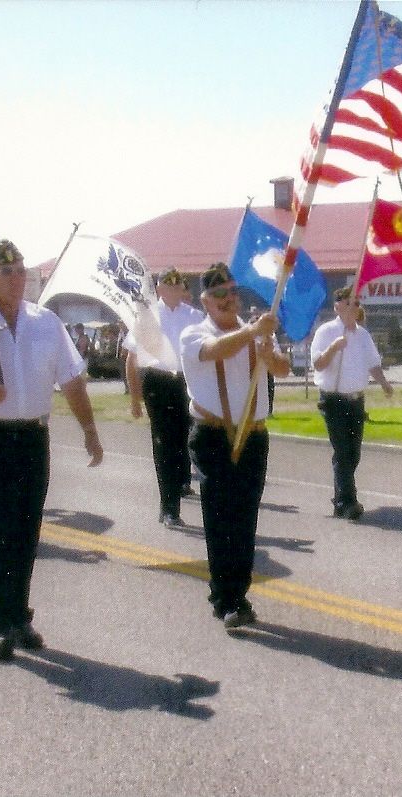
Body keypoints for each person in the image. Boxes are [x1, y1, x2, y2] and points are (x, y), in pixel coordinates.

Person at [0, 240, 103, 662]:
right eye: (7, 272)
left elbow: (71, 380)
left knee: (27, 529)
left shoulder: (46, 322)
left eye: (21, 270)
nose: (18, 279)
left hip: (33, 436)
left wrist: (89, 428)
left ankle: (20, 615)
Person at [180, 263, 289, 630]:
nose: (227, 300)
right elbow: (216, 351)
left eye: (231, 292)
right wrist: (253, 333)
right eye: (218, 295)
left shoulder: (252, 332)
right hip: (214, 434)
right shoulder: (194, 334)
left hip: (254, 435)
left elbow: (282, 370)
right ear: (205, 302)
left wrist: (268, 350)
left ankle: (238, 594)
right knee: (220, 516)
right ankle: (224, 597)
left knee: (245, 517)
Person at [124, 268, 204, 528]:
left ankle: (181, 482)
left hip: (185, 382)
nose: (172, 291)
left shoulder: (195, 317)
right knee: (164, 443)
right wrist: (135, 399)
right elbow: (132, 359)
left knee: (185, 439)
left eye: (177, 286)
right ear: (158, 290)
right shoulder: (148, 315)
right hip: (157, 381)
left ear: (183, 289)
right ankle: (168, 508)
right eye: (166, 287)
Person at [310, 286, 393, 520]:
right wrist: (334, 347)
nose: (354, 307)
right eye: (349, 302)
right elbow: (318, 364)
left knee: (353, 454)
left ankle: (340, 498)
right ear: (337, 306)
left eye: (357, 303)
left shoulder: (362, 335)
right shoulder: (326, 332)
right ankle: (349, 502)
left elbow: (373, 363)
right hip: (333, 399)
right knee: (343, 451)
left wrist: (384, 383)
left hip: (356, 401)